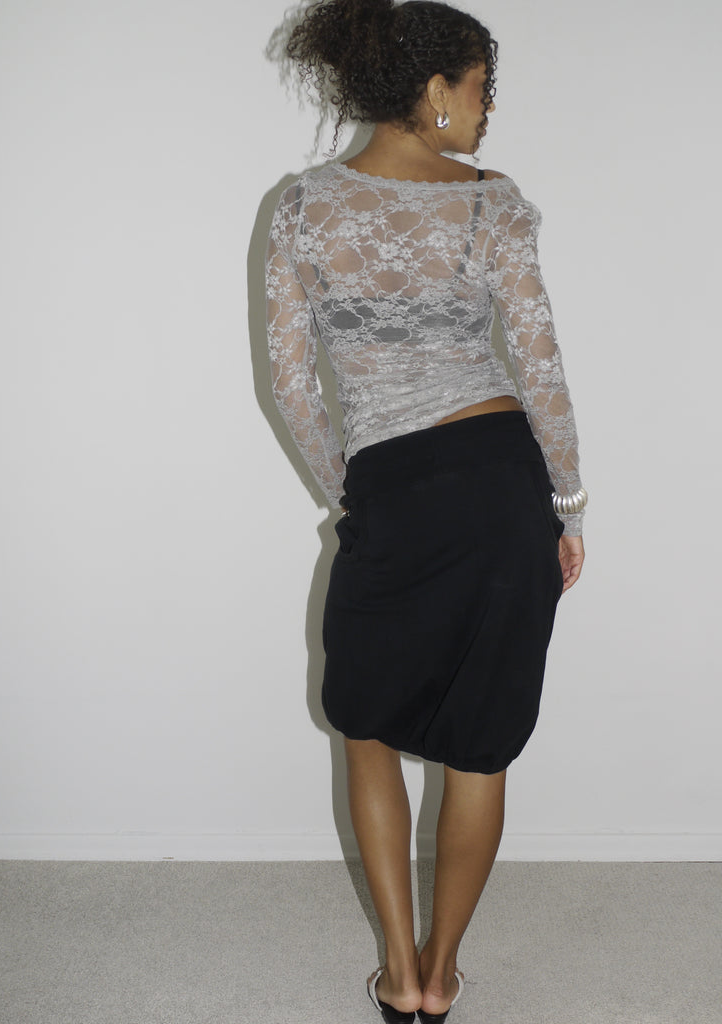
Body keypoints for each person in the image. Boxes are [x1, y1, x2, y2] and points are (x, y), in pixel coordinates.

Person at [265, 1, 586, 1021]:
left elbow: (291, 382)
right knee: (476, 746)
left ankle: (397, 974)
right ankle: (444, 978)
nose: (489, 110)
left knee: (365, 730)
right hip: (500, 486)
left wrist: (350, 488)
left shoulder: (302, 207)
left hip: (394, 489)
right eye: (483, 85)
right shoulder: (492, 204)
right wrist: (568, 501)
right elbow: (538, 364)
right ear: (435, 88)